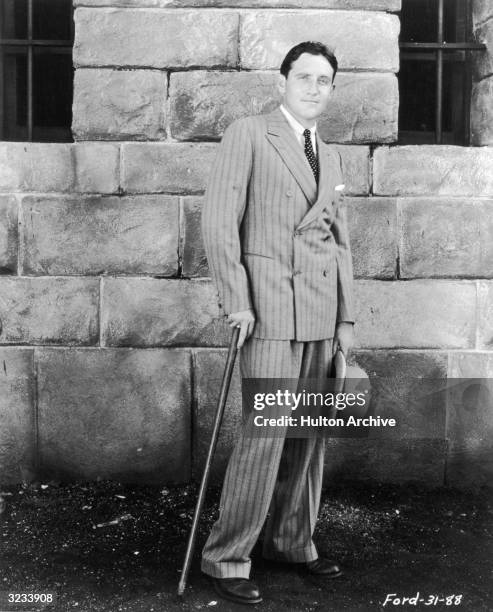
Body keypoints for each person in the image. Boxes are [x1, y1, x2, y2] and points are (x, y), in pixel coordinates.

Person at [200, 41, 355, 605]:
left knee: (309, 437)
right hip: (266, 312)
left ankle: (290, 541)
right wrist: (235, 300)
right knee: (265, 436)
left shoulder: (331, 156)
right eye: (305, 77)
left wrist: (347, 320)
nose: (315, 88)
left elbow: (340, 244)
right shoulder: (250, 133)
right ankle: (226, 557)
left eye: (325, 80)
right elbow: (220, 221)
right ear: (283, 80)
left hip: (318, 313)